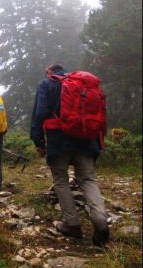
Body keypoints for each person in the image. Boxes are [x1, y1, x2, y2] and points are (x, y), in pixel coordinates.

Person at [30, 64, 109, 247]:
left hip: (59, 141)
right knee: (88, 179)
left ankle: (72, 224)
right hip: (87, 140)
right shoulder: (82, 85)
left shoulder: (47, 84)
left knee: (61, 180)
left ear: (49, 72)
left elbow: (40, 113)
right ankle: (100, 222)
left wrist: (38, 140)